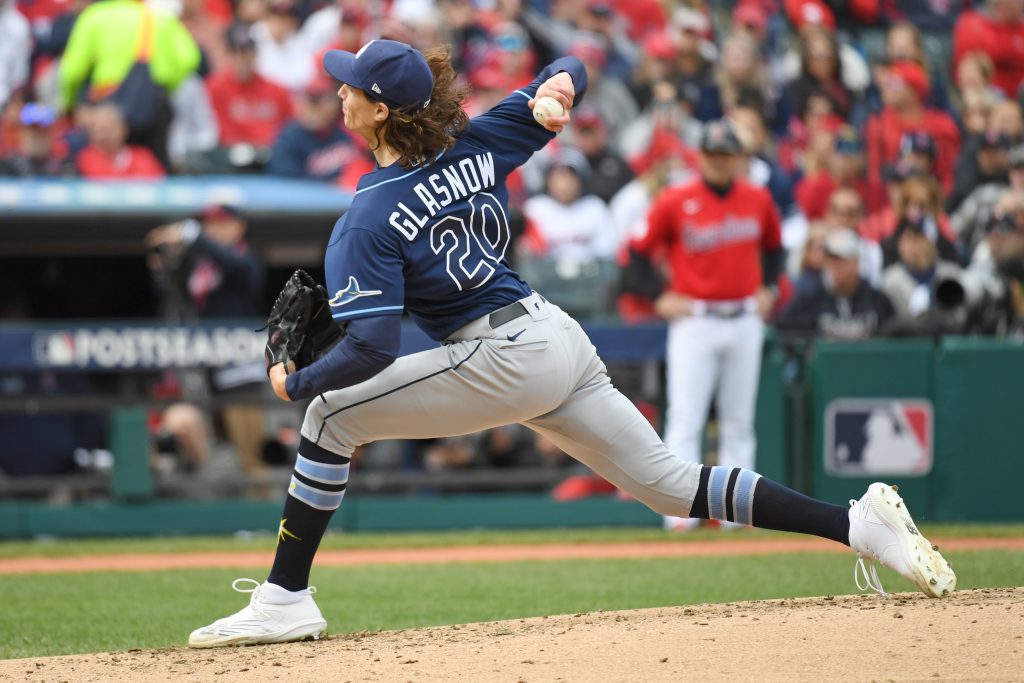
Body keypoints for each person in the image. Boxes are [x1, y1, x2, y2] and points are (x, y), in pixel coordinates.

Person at [187, 39, 956, 649]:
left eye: (351, 86)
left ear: (381, 112)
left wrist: (295, 383)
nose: (340, 92)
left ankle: (285, 597)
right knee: (670, 484)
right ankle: (856, 525)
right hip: (554, 338)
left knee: (327, 417)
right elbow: (574, 66)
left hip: (500, 355)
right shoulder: (477, 140)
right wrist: (557, 88)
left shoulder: (366, 215)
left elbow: (373, 348)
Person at [629, 119, 781, 532]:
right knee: (686, 417)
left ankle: (741, 515)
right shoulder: (677, 199)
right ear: (701, 157)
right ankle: (680, 516)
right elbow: (637, 251)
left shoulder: (757, 198)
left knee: (738, 420)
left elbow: (774, 249)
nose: (717, 162)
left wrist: (769, 287)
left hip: (744, 316)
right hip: (695, 319)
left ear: (737, 158)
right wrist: (658, 297)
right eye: (711, 154)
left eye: (725, 154)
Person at [777, 227, 897, 340]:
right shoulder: (812, 298)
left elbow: (896, 336)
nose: (834, 266)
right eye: (830, 259)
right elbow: (783, 329)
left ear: (856, 262)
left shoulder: (876, 300)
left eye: (840, 259)